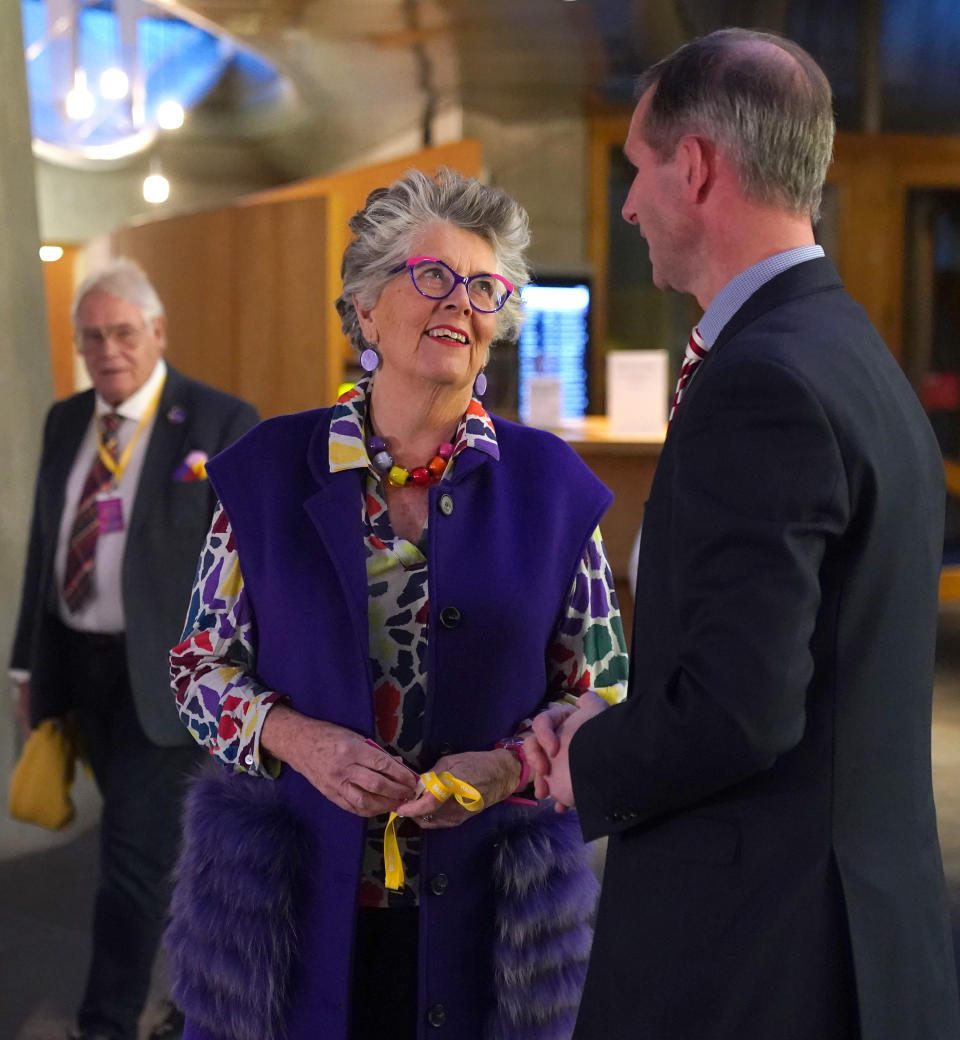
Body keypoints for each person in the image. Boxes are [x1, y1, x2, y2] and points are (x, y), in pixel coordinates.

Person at [527, 27, 960, 1040]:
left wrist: (587, 752)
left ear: (696, 166)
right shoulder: (849, 349)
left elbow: (737, 710)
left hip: (760, 954)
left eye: (638, 167)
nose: (630, 203)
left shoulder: (758, 384)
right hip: (860, 924)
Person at [164, 168, 628, 1040]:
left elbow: (603, 689)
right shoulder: (265, 470)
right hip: (291, 901)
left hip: (494, 908)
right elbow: (197, 668)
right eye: (432, 275)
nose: (461, 301)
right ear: (365, 309)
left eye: (485, 287)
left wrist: (509, 769)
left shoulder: (554, 488)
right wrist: (299, 740)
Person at [9, 257, 260, 1040]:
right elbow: (45, 551)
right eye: (92, 337)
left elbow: (255, 564)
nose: (108, 350)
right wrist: (26, 666)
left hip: (171, 680)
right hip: (82, 669)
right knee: (154, 850)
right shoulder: (65, 420)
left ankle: (107, 1022)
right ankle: (196, 996)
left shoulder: (218, 423)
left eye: (123, 332)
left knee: (127, 862)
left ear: (156, 331)